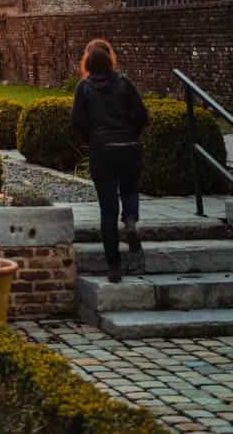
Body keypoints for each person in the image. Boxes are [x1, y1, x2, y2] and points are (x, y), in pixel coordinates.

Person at [71, 38, 149, 283]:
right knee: (130, 190)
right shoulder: (124, 83)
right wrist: (131, 134)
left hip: (102, 150)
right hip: (128, 147)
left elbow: (77, 121)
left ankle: (114, 267)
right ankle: (131, 221)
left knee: (107, 210)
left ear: (87, 61)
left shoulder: (84, 88)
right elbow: (142, 115)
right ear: (110, 59)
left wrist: (92, 138)